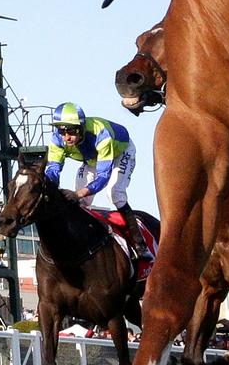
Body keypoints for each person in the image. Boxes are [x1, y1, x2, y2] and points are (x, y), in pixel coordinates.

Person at [45, 102, 152, 259]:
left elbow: (103, 176)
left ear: (81, 127)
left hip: (119, 153)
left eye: (72, 130)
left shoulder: (100, 134)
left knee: (114, 193)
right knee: (81, 203)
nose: (66, 136)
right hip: (92, 158)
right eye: (62, 130)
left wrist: (78, 193)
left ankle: (140, 244)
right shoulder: (57, 140)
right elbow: (53, 171)